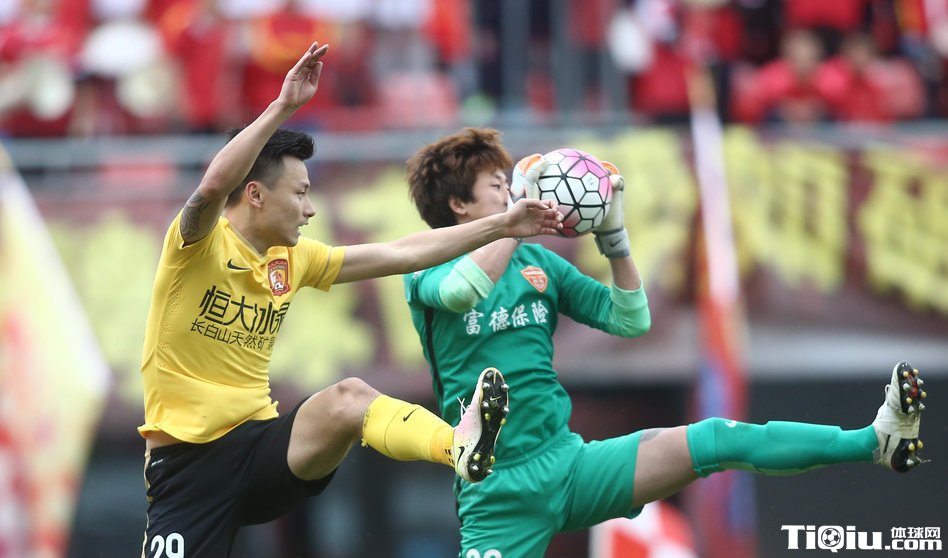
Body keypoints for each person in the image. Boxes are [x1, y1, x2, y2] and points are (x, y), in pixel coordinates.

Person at [402, 128, 929, 557]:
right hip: (498, 492)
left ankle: (874, 442)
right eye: (497, 186)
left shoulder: (539, 264)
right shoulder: (426, 263)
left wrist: (615, 240)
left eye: (507, 183)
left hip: (571, 464)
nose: (510, 194)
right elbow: (462, 291)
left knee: (718, 438)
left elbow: (630, 319)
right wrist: (512, 227)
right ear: (458, 203)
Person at [137, 42, 563, 558]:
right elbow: (211, 187)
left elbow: (402, 253)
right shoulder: (196, 245)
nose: (310, 209)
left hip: (263, 450)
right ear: (255, 195)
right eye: (300, 193)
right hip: (187, 471)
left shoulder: (294, 259)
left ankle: (458, 445)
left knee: (348, 398)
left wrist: (502, 225)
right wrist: (282, 107)